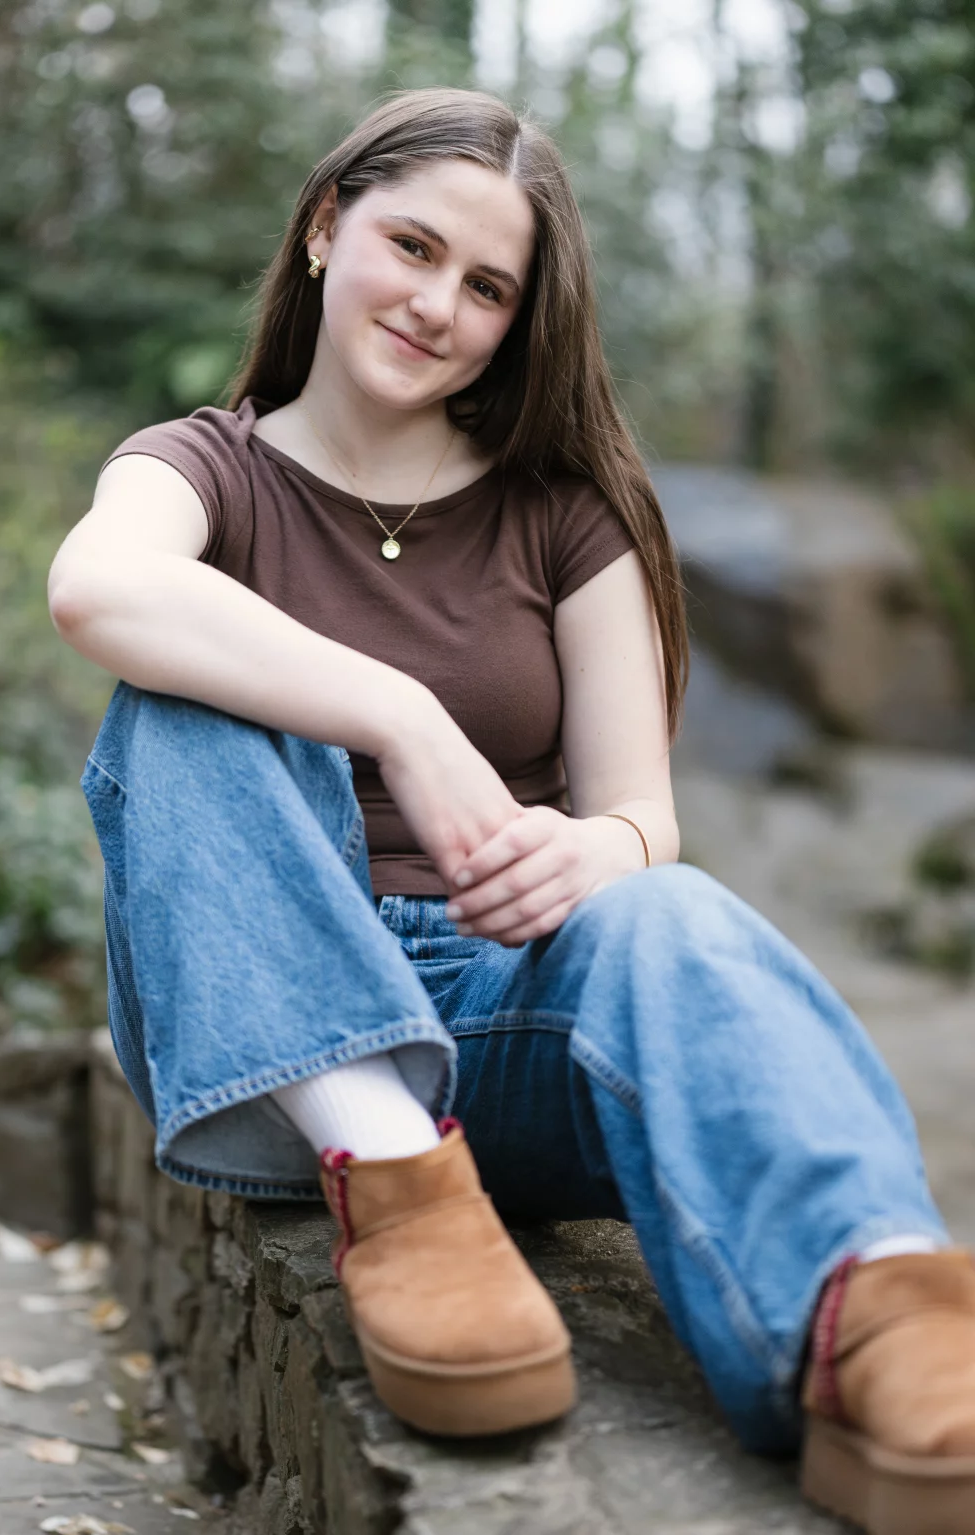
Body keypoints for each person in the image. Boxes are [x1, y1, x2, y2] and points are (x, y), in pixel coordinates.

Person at [47, 86, 974, 1534]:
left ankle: (876, 1310)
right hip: (272, 1035)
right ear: (321, 229)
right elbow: (99, 589)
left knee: (675, 913)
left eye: (487, 287)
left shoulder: (567, 510)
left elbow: (641, 818)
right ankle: (394, 1173)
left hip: (502, 1011)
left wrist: (591, 850)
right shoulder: (202, 470)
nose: (436, 305)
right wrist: (402, 715)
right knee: (176, 697)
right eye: (411, 246)